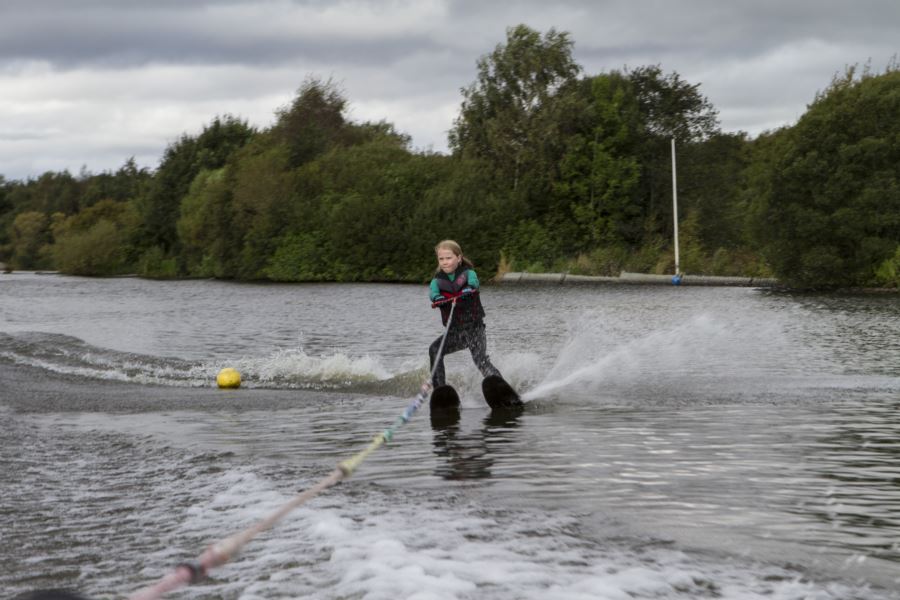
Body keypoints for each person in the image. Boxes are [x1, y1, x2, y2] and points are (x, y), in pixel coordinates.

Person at [428, 240, 502, 389]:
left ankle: (501, 386)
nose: (444, 262)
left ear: (459, 258)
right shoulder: (436, 282)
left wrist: (469, 288)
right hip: (455, 333)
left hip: (475, 329)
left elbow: (474, 282)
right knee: (434, 350)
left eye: (448, 258)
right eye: (441, 259)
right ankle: (440, 390)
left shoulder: (469, 274)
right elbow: (433, 294)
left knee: (480, 360)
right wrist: (437, 298)